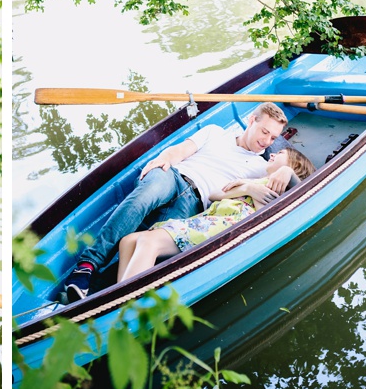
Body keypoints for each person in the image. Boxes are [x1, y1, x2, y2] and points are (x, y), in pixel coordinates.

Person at [60, 102, 294, 304]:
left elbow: (292, 180)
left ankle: (92, 298)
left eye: (273, 138)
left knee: (142, 242)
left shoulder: (260, 168)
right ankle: (87, 266)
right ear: (251, 120)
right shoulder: (214, 133)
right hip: (172, 176)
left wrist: (284, 169)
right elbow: (179, 151)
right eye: (264, 132)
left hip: (195, 203)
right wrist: (164, 159)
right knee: (141, 200)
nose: (267, 141)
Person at [117, 148, 316, 282]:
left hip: (220, 231)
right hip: (205, 221)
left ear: (293, 164)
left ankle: (125, 315)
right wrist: (247, 187)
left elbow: (301, 197)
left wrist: (287, 172)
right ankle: (121, 302)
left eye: (280, 154)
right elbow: (215, 194)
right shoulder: (254, 181)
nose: (272, 155)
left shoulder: (278, 187)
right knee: (128, 240)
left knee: (148, 242)